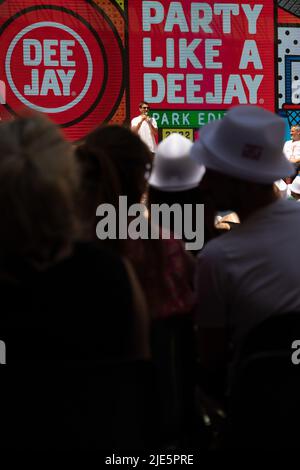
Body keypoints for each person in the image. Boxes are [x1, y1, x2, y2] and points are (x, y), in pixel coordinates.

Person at [190, 105, 299, 385]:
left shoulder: (217, 258)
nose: (203, 182)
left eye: (212, 171)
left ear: (238, 181)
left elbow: (211, 359)